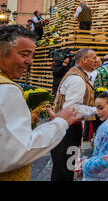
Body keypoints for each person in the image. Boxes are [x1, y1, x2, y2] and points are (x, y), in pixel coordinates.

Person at [0, 25, 80, 181]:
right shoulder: (7, 89)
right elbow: (20, 150)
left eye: (32, 55)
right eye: (25, 54)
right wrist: (60, 122)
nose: (30, 61)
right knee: (65, 162)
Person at [50, 48, 98, 181]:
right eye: (94, 57)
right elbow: (72, 108)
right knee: (65, 170)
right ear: (84, 59)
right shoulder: (77, 79)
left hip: (68, 129)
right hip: (67, 131)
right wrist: (97, 109)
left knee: (66, 168)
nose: (96, 60)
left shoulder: (78, 74)